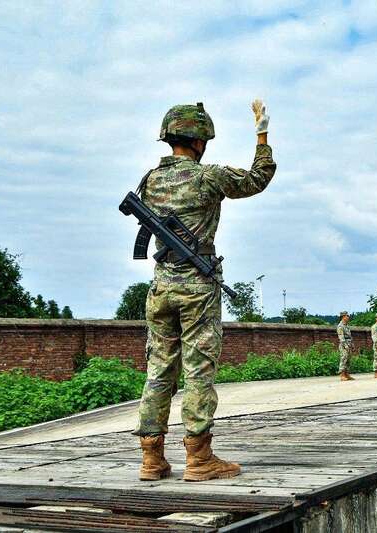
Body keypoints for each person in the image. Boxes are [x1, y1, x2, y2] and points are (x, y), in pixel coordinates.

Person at [132, 100, 276, 482]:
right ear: (200, 141)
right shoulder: (207, 177)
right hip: (197, 286)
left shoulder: (149, 180)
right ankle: (199, 458)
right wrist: (262, 134)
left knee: (159, 369)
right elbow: (257, 179)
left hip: (161, 286)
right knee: (198, 370)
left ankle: (151, 458)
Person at [337, 311, 354, 381]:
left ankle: (347, 374)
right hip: (344, 344)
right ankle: (342, 375)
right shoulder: (340, 326)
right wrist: (345, 345)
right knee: (344, 358)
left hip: (349, 343)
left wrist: (352, 344)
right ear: (343, 317)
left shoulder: (347, 326)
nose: (348, 317)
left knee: (348, 359)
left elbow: (349, 336)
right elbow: (341, 337)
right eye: (347, 316)